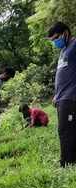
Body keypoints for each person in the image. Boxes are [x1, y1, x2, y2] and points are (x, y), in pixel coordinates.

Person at [47, 22, 76, 167]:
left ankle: (67, 163)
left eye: (56, 38)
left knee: (65, 130)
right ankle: (70, 160)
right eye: (52, 40)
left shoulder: (75, 44)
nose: (54, 42)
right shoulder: (63, 50)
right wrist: (56, 95)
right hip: (61, 97)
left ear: (65, 32)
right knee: (67, 129)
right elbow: (63, 74)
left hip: (71, 97)